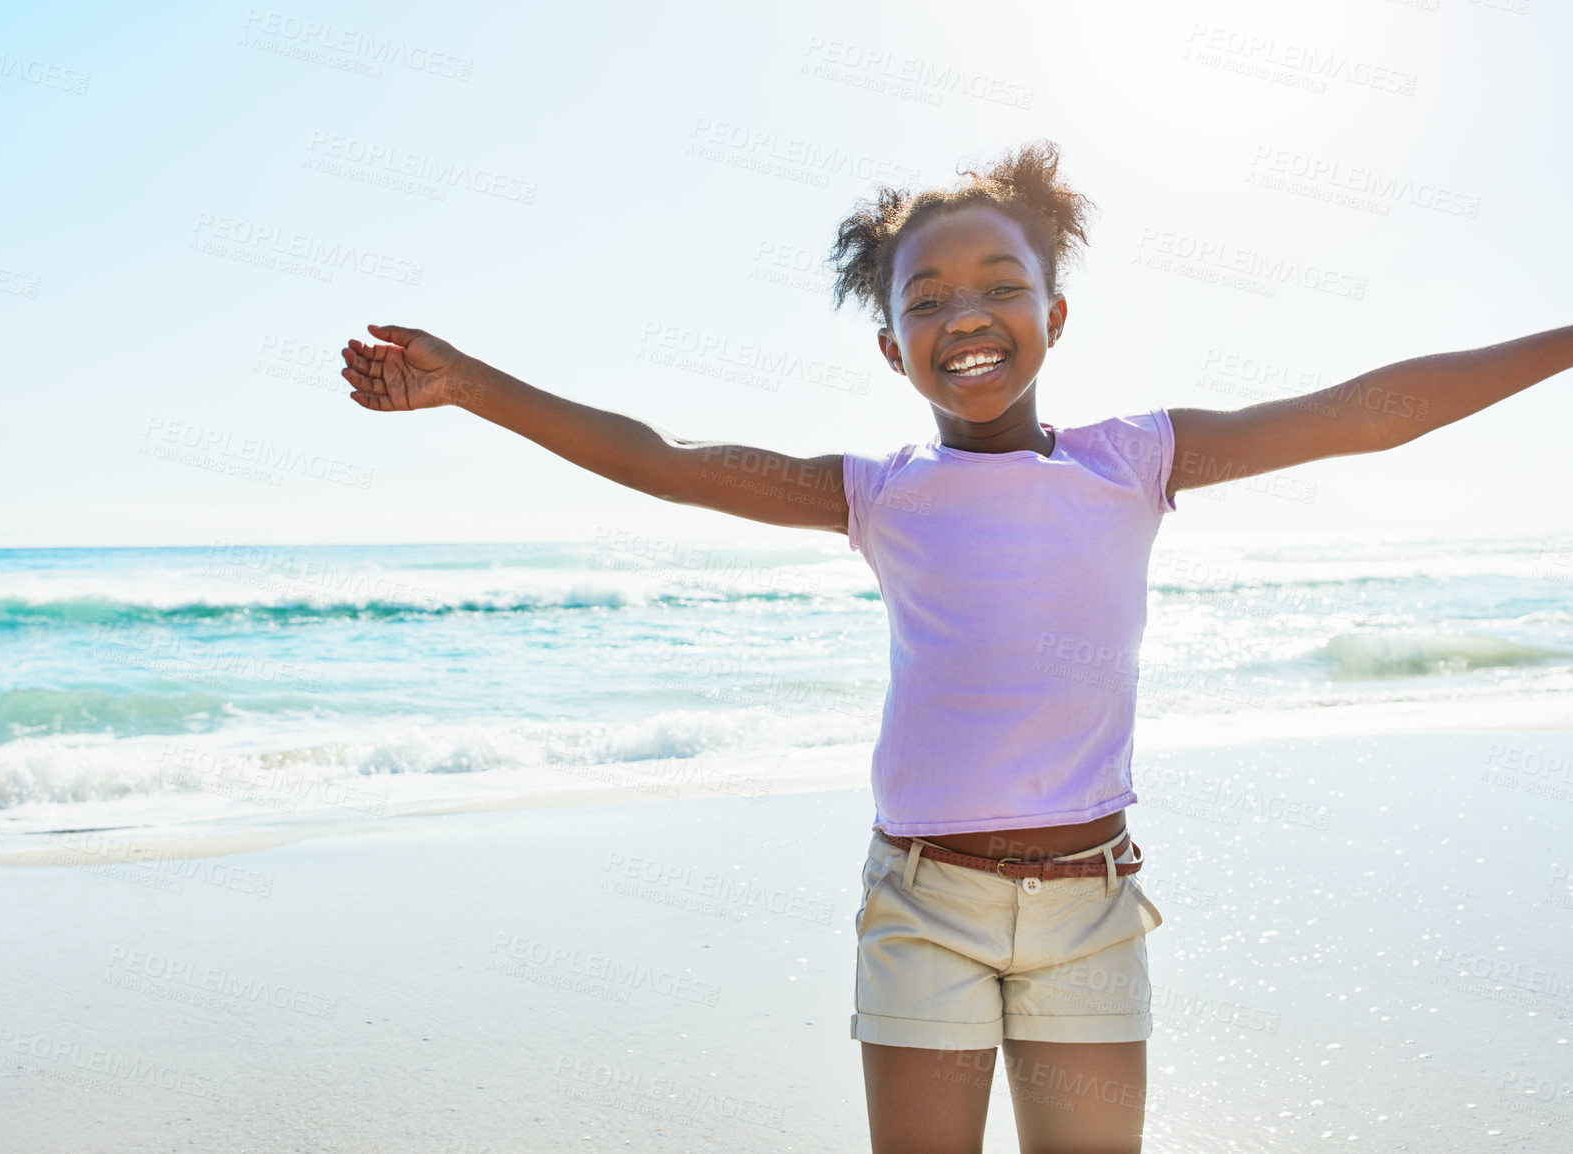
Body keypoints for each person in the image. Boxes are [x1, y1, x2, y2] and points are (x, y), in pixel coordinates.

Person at [339, 140, 1573, 1154]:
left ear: (1055, 313)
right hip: (925, 905)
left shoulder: (1131, 459)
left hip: (1091, 903)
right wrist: (472, 385)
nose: (964, 316)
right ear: (889, 346)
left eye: (997, 286)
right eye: (924, 301)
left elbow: (1362, 414)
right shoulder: (874, 492)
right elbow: (660, 459)